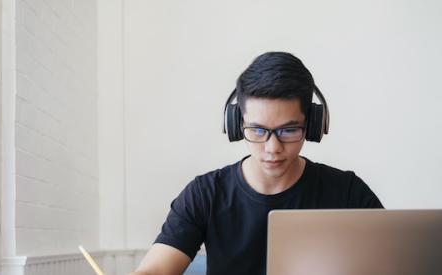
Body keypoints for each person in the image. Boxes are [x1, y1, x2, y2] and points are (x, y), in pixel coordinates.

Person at [128, 52, 383, 275]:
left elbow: (392, 264)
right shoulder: (204, 194)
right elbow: (156, 270)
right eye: (258, 130)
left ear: (313, 125)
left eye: (289, 130)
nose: (273, 148)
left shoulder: (347, 192)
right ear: (237, 125)